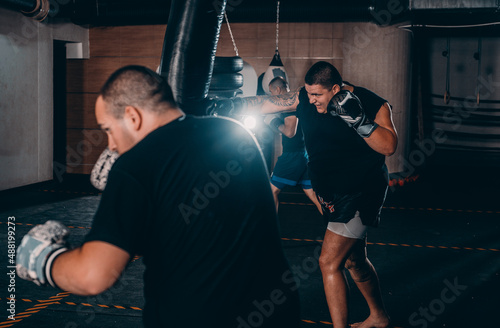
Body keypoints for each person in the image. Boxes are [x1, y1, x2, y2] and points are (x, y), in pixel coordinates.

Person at [16, 65, 301, 328]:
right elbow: (196, 224)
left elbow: (94, 275)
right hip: (278, 313)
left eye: (108, 130)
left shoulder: (135, 165)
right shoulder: (235, 132)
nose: (111, 145)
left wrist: (44, 260)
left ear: (132, 116)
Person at [212, 61, 397, 328]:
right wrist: (222, 105)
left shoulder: (371, 103)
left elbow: (389, 146)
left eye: (317, 95)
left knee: (328, 262)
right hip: (331, 194)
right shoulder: (304, 98)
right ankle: (379, 317)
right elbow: (265, 104)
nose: (311, 100)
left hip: (359, 192)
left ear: (335, 88)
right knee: (355, 261)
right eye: (308, 94)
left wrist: (360, 122)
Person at [264, 77, 322, 214]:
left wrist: (273, 123)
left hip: (293, 155)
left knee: (271, 190)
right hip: (304, 153)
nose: (272, 97)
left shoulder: (288, 106)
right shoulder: (298, 102)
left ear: (277, 89)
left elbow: (290, 132)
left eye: (272, 93)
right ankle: (335, 225)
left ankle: (272, 231)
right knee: (311, 193)